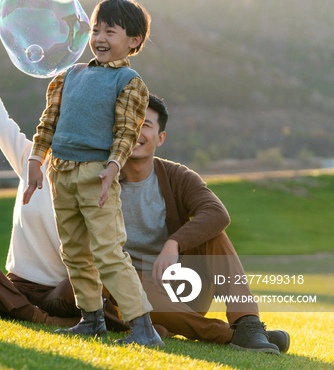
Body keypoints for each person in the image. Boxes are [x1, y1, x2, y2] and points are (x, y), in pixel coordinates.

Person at [101, 93, 291, 354]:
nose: (136, 131)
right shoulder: (104, 180)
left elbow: (217, 213)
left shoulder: (176, 175)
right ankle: (233, 336)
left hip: (183, 284)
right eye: (129, 124)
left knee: (213, 234)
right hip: (133, 294)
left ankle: (247, 322)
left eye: (145, 125)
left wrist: (175, 242)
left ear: (160, 137)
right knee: (128, 284)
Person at [23, 0, 163, 347]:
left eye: (110, 31)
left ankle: (143, 327)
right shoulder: (69, 76)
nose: (100, 37)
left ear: (133, 42)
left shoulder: (129, 82)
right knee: (73, 251)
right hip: (61, 174)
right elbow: (48, 123)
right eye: (95, 29)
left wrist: (114, 167)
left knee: (108, 252)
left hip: (96, 175)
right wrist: (35, 162)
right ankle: (91, 319)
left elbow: (127, 131)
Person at [0, 37, 81, 328]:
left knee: (93, 281)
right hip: (18, 288)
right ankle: (40, 319)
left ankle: (25, 315)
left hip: (62, 294)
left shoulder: (92, 175)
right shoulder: (31, 159)